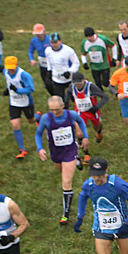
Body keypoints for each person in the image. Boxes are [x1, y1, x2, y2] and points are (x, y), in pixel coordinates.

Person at [36, 95, 90, 224]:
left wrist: (86, 137)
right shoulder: (46, 118)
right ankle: (77, 161)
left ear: (63, 106)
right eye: (52, 110)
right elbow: (38, 133)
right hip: (55, 153)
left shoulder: (71, 115)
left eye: (57, 110)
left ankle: (65, 214)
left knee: (66, 182)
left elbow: (81, 121)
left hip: (70, 150)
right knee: (62, 173)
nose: (55, 112)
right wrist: (39, 148)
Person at [0, 56, 36, 158]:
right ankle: (22, 150)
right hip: (14, 103)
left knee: (31, 120)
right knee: (15, 124)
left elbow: (31, 89)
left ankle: (37, 117)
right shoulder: (5, 72)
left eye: (12, 67)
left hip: (26, 102)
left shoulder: (24, 75)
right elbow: (8, 81)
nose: (10, 69)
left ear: (16, 65)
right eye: (8, 67)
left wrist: (18, 90)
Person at [66, 72, 109, 145]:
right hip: (80, 112)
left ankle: (99, 132)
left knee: (96, 127)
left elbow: (105, 97)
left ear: (84, 80)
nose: (78, 86)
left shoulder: (91, 87)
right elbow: (67, 97)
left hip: (92, 111)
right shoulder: (71, 87)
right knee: (79, 134)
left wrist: (96, 107)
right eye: (76, 84)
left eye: (79, 83)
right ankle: (83, 149)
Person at [46, 32, 80, 98]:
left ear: (60, 41)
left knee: (74, 97)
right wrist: (49, 71)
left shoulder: (68, 51)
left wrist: (70, 71)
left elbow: (76, 63)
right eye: (52, 43)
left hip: (69, 78)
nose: (54, 45)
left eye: (55, 42)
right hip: (56, 79)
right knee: (60, 99)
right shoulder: (48, 51)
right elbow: (48, 61)